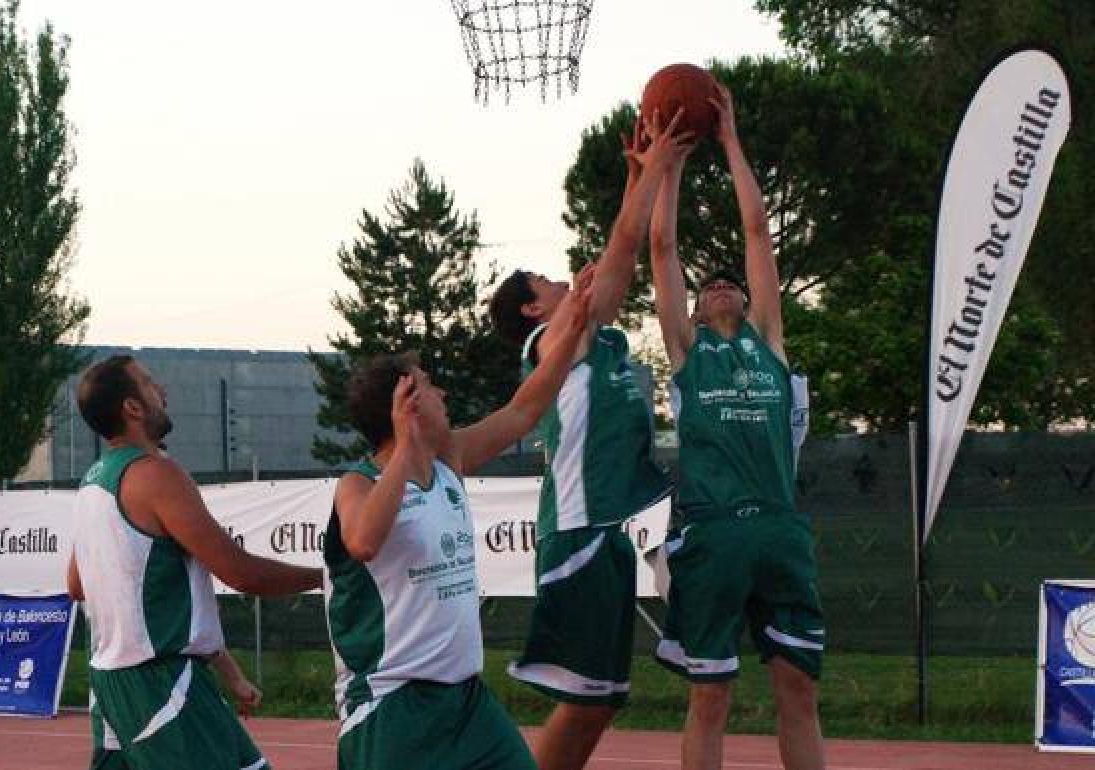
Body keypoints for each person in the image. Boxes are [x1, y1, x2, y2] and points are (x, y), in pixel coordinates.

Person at [485, 108, 695, 770]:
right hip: (579, 529)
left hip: (613, 522)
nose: (557, 280)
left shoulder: (599, 339)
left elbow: (637, 256)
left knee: (601, 700)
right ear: (531, 309)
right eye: (544, 282)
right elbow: (625, 251)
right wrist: (654, 168)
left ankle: (689, 584)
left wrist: (650, 177)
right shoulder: (551, 341)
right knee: (583, 701)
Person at [325, 272, 595, 770]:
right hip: (393, 707)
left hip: (465, 701)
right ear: (405, 406)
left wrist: (573, 327)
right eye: (429, 385)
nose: (443, 392)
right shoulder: (357, 484)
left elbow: (523, 410)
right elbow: (363, 541)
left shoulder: (449, 461)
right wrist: (405, 446)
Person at [647, 83, 825, 770]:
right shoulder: (690, 354)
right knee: (711, 697)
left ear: (751, 303)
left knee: (799, 688)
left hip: (779, 528)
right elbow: (662, 247)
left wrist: (731, 141)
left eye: (733, 282)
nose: (721, 283)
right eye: (708, 284)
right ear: (691, 312)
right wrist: (672, 163)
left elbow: (757, 230)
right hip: (714, 531)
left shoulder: (768, 343)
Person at [67, 355, 323, 770]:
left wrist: (225, 667)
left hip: (114, 682)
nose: (162, 391)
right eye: (150, 384)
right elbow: (240, 572)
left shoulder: (91, 482)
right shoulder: (156, 474)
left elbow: (77, 585)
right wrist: (329, 576)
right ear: (132, 407)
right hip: (160, 682)